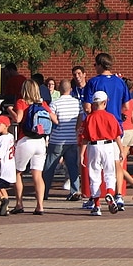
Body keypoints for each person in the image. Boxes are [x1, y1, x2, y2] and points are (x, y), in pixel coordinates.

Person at [77, 53, 133, 200]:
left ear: (100, 65)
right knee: (116, 163)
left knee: (95, 168)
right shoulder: (120, 82)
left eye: (95, 64)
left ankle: (96, 200)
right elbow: (127, 106)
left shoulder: (93, 82)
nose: (94, 67)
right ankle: (118, 195)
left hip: (97, 125)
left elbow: (87, 108)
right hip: (115, 126)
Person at [12, 79, 54, 215]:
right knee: (37, 175)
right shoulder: (42, 104)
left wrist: (9, 111)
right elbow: (54, 118)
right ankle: (40, 206)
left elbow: (18, 119)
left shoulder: (21, 102)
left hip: (25, 141)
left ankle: (19, 204)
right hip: (40, 142)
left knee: (18, 172)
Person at [78, 91, 122, 214]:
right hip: (108, 146)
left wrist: (82, 153)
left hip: (93, 147)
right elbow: (117, 135)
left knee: (94, 176)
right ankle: (109, 193)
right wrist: (121, 150)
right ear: (105, 102)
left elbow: (84, 138)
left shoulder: (89, 118)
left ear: (93, 103)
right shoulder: (111, 117)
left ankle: (97, 206)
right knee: (110, 173)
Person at [44, 73, 82, 201]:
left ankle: (44, 191)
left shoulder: (55, 103)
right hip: (72, 139)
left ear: (59, 89)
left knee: (50, 167)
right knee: (72, 167)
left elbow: (54, 120)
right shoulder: (77, 103)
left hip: (57, 139)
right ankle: (75, 191)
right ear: (70, 89)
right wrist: (75, 129)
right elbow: (80, 119)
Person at [0, 112, 17, 215]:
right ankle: (5, 209)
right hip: (10, 166)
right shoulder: (11, 136)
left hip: (3, 167)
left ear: (6, 125)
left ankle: (3, 200)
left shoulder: (3, 139)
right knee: (2, 187)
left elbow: (0, 155)